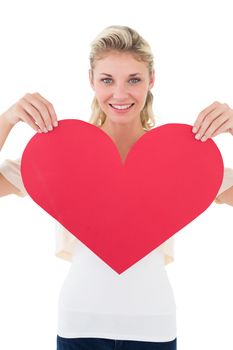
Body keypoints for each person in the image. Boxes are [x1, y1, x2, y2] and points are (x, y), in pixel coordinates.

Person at [0, 25, 233, 350]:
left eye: (134, 79)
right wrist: (7, 119)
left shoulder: (183, 157)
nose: (120, 94)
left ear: (152, 79)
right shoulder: (61, 154)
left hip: (153, 325)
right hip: (79, 322)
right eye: (107, 80)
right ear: (91, 81)